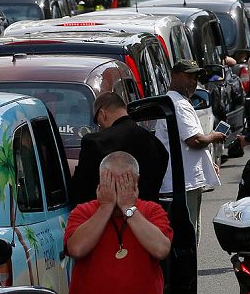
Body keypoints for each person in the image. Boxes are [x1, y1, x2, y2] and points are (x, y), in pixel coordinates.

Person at [64, 152, 173, 294]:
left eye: (123, 183)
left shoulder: (152, 210)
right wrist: (105, 207)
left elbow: (161, 249)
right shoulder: (83, 211)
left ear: (136, 181)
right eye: (110, 183)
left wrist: (129, 209)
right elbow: (77, 249)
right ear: (100, 181)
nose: (116, 190)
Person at [155, 60, 225, 242]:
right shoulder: (179, 104)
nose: (193, 81)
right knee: (187, 237)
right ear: (174, 76)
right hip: (184, 183)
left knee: (190, 234)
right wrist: (215, 135)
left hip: (184, 182)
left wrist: (208, 164)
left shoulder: (176, 102)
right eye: (189, 76)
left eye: (195, 77)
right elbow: (194, 140)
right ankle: (186, 270)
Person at [71, 92, 168, 205]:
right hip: (147, 217)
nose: (100, 126)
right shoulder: (157, 145)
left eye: (97, 122)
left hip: (107, 218)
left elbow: (81, 190)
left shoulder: (95, 143)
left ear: (102, 114)